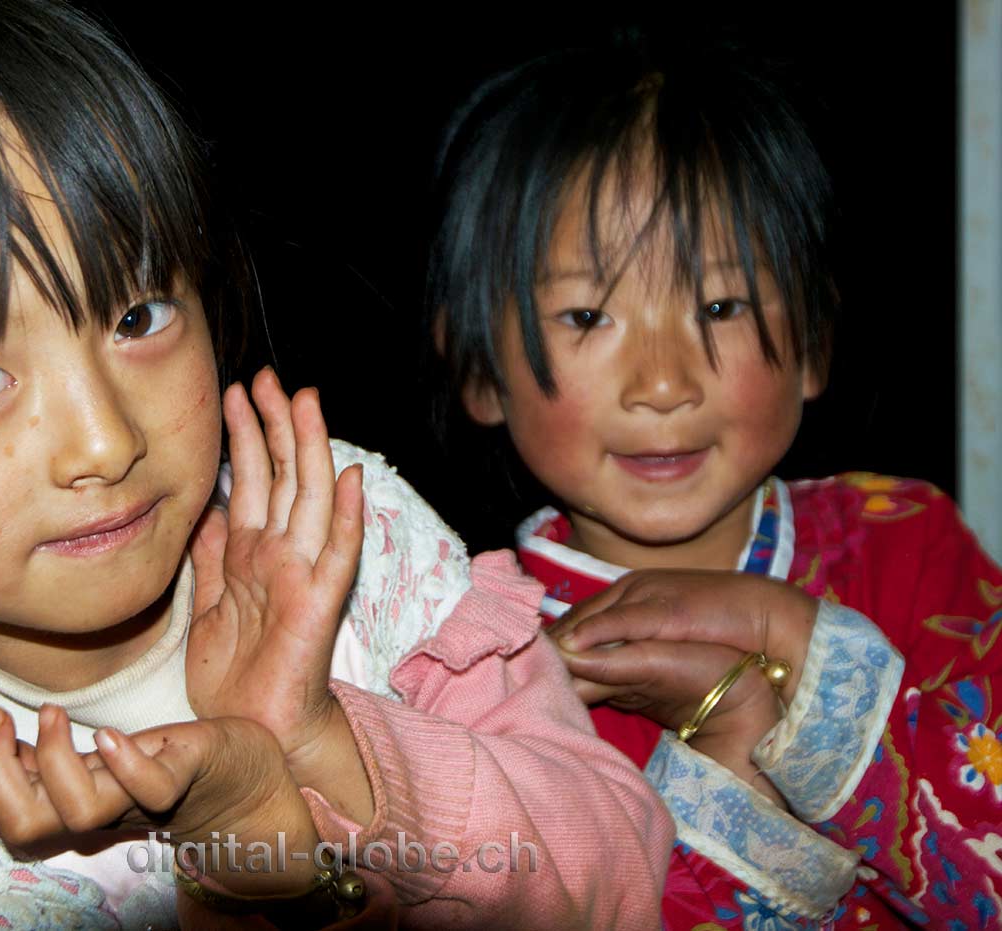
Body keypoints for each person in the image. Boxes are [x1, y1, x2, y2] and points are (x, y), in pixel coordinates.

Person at [0, 3, 672, 928]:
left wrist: (321, 739)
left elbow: (625, 874)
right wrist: (252, 851)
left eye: (137, 313)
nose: (105, 441)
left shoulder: (337, 535)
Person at [427, 27, 1002, 931]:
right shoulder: (456, 660)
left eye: (720, 305)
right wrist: (731, 764)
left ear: (814, 340)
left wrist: (794, 639)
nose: (664, 383)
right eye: (587, 314)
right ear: (479, 368)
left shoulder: (912, 543)